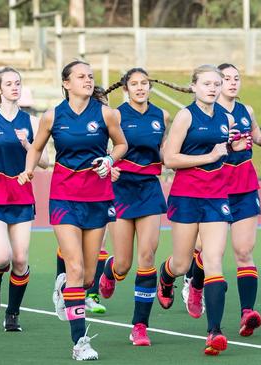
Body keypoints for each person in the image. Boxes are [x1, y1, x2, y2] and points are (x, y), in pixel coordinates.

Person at [18, 60, 127, 361]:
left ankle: (65, 287)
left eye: (91, 76)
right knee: (76, 267)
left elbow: (121, 145)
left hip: (98, 197)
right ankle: (80, 343)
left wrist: (110, 160)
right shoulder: (52, 115)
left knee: (89, 276)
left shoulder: (107, 113)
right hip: (64, 196)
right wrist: (28, 170)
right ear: (66, 83)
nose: (88, 80)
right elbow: (37, 148)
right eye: (81, 76)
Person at [155, 64, 250, 356]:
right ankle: (167, 275)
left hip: (216, 197)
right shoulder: (185, 116)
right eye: (207, 83)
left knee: (213, 260)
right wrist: (210, 155)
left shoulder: (226, 117)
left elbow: (226, 149)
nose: (213, 88)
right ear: (194, 86)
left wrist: (234, 147)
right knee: (183, 264)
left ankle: (214, 332)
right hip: (186, 196)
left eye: (216, 84)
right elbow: (169, 158)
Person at [182, 63, 261, 338]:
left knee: (244, 250)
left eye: (236, 78)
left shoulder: (247, 111)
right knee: (204, 251)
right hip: (215, 188)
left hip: (244, 186)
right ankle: (196, 285)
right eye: (226, 79)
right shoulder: (210, 115)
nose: (232, 83)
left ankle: (247, 313)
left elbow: (255, 136)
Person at [0, 67, 48, 331]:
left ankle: (12, 314)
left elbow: (45, 162)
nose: (15, 87)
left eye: (18, 83)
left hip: (22, 192)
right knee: (3, 257)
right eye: (9, 84)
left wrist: (28, 145)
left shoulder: (32, 122)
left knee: (21, 259)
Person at [96, 67, 171, 346]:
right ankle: (109, 271)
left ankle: (139, 326)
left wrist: (177, 159)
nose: (141, 88)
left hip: (150, 188)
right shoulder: (115, 115)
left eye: (145, 83)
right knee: (124, 263)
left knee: (148, 256)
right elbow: (102, 148)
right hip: (121, 187)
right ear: (126, 89)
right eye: (135, 84)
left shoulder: (161, 115)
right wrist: (108, 166)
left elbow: (164, 150)